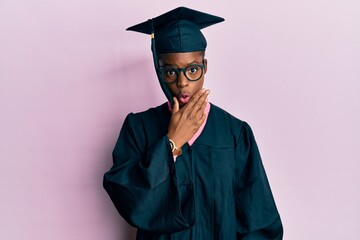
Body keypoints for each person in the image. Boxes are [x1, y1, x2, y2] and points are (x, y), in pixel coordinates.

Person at [103, 6, 283, 240]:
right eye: (170, 72)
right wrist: (171, 143)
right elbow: (129, 198)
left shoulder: (235, 133)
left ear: (205, 67)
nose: (183, 83)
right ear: (159, 70)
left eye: (193, 70)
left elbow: (258, 219)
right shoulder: (138, 128)